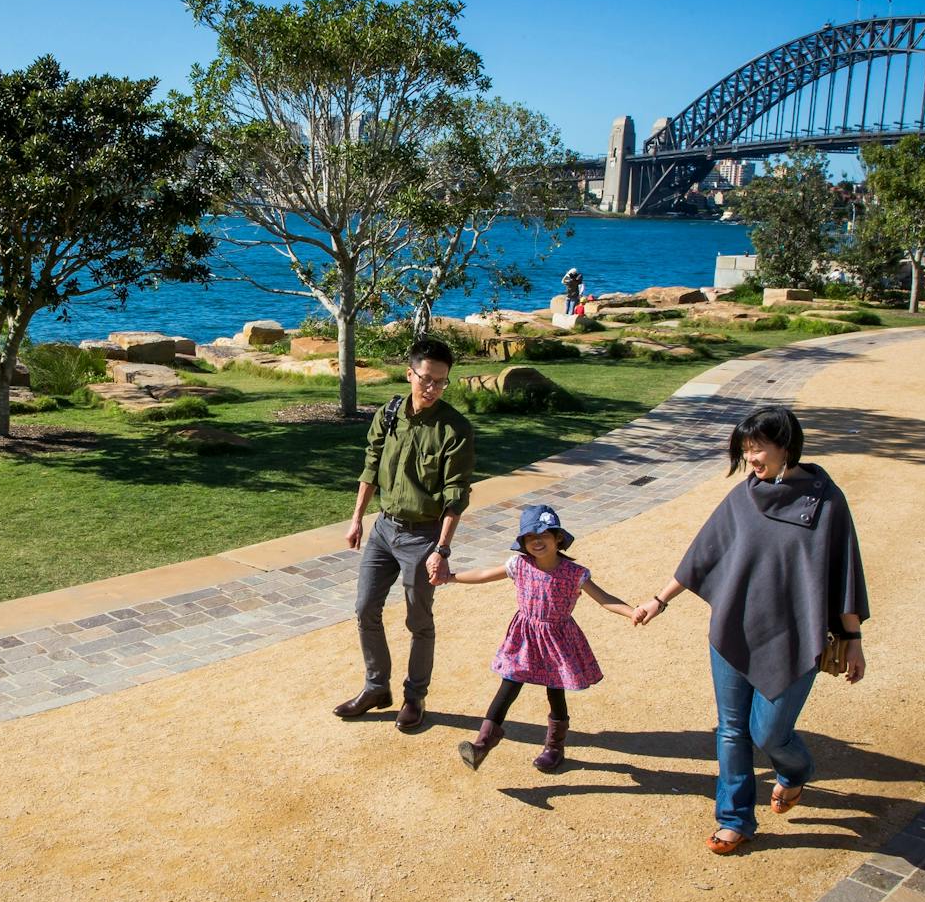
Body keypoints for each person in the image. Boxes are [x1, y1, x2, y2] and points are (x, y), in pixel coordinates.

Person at [633, 406, 869, 855]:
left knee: (770, 733)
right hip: (732, 631)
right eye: (745, 451)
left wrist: (853, 641)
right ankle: (734, 819)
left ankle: (795, 773)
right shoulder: (743, 497)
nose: (751, 460)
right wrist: (659, 600)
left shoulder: (826, 502)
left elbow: (844, 574)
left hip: (796, 636)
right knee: (731, 729)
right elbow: (701, 556)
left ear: (786, 445)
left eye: (757, 449)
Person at [334, 337, 475, 732]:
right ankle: (377, 687)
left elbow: (456, 495)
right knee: (365, 609)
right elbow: (371, 465)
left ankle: (415, 696)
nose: (432, 389)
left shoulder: (455, 429)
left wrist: (441, 549)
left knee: (419, 621)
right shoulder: (390, 412)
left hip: (423, 536)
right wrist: (357, 518)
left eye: (441, 382)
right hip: (383, 529)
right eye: (426, 379)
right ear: (409, 373)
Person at [442, 505, 635, 772]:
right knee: (508, 685)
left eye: (543, 535)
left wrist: (632, 612)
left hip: (557, 639)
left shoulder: (574, 573)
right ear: (522, 543)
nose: (536, 541)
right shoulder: (518, 565)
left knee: (555, 691)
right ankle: (481, 745)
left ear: (558, 538)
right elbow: (485, 575)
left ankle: (554, 747)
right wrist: (450, 578)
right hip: (524, 637)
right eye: (529, 537)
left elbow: (604, 599)